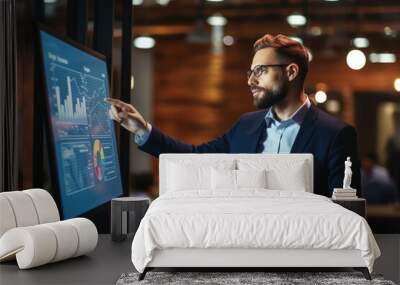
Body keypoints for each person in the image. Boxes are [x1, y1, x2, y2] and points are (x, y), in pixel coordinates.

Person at [106, 34, 361, 197]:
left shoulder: (337, 135)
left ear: (292, 72)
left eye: (260, 70)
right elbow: (195, 158)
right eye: (250, 72)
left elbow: (345, 213)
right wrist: (142, 130)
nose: (251, 80)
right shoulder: (245, 126)